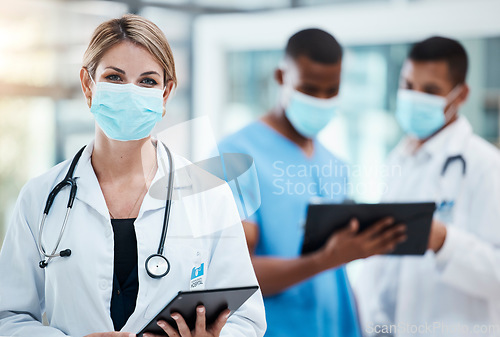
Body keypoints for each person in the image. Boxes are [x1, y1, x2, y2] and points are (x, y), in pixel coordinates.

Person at [0, 14, 266, 337]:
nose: (131, 92)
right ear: (88, 85)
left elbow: (246, 320)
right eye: (114, 77)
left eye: (148, 81)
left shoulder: (209, 195)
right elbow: (8, 317)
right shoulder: (40, 197)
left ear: (165, 94)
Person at [217, 28, 406, 337]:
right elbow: (234, 277)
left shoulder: (334, 163)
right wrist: (324, 259)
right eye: (309, 89)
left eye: (331, 91)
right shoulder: (235, 156)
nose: (320, 100)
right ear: (281, 76)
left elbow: (337, 276)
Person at [354, 37, 500, 337]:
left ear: (461, 95)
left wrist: (443, 241)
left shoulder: (487, 166)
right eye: (408, 86)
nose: (414, 97)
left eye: (430, 91)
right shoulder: (399, 158)